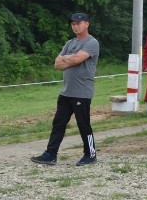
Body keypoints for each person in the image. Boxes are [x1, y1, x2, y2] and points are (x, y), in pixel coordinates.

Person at [31, 12, 99, 166]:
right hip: (66, 92)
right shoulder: (70, 43)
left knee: (83, 124)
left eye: (78, 23)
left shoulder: (92, 43)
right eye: (73, 24)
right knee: (58, 123)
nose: (75, 26)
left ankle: (90, 154)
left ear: (86, 24)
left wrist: (68, 58)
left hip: (82, 92)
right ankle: (50, 154)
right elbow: (57, 64)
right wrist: (73, 58)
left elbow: (76, 59)